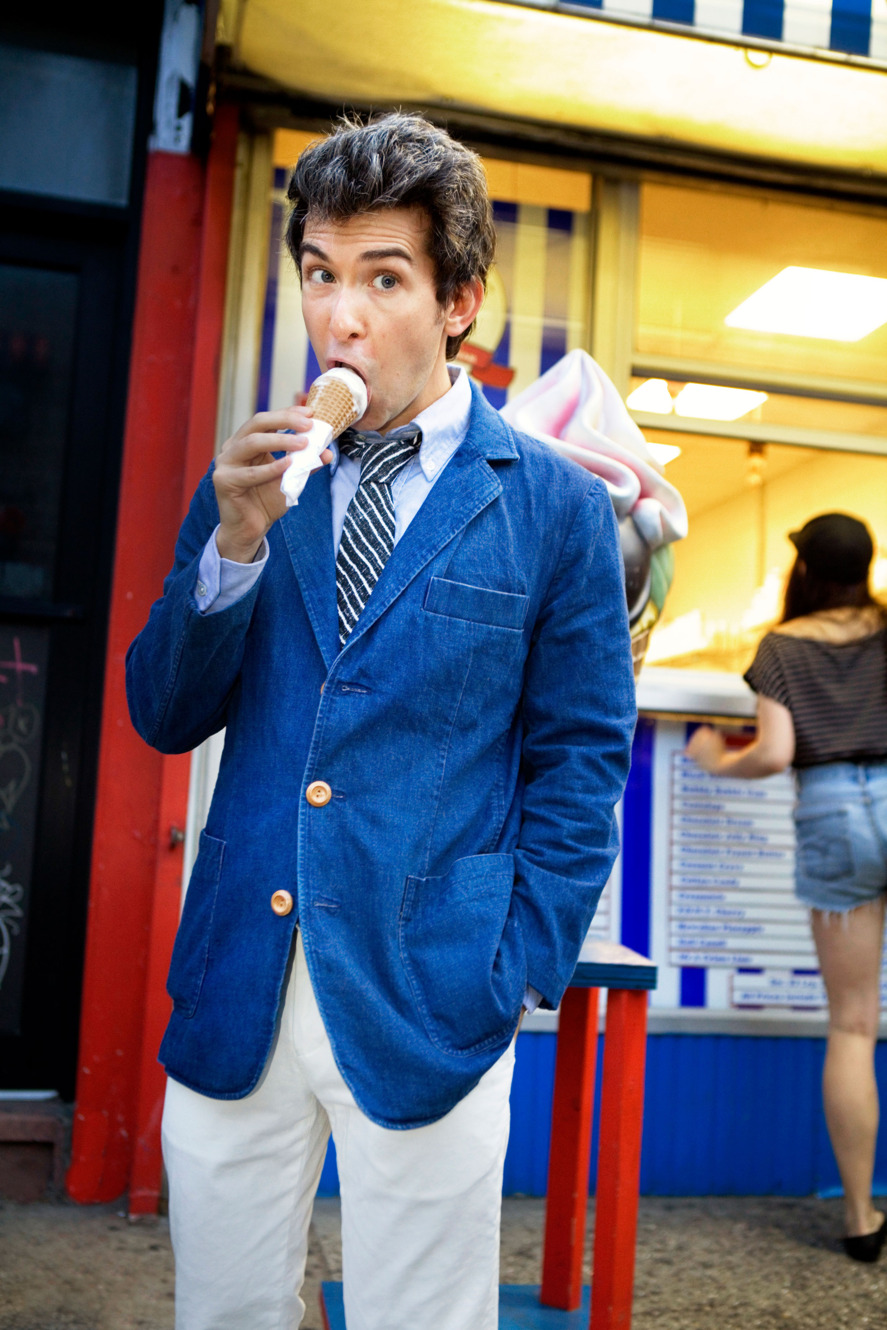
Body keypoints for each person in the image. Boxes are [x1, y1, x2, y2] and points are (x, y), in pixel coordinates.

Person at [126, 112, 636, 1329]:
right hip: (239, 981)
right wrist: (233, 548)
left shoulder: (556, 511)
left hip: (431, 995)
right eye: (318, 273)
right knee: (224, 1312)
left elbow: (579, 760)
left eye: (383, 278)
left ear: (459, 300)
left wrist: (507, 966)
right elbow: (163, 709)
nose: (339, 315)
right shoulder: (256, 478)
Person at [686, 512, 887, 1262]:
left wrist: (714, 760)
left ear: (804, 569)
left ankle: (861, 1220)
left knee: (854, 1026)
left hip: (834, 812)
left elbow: (774, 753)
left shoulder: (780, 648)